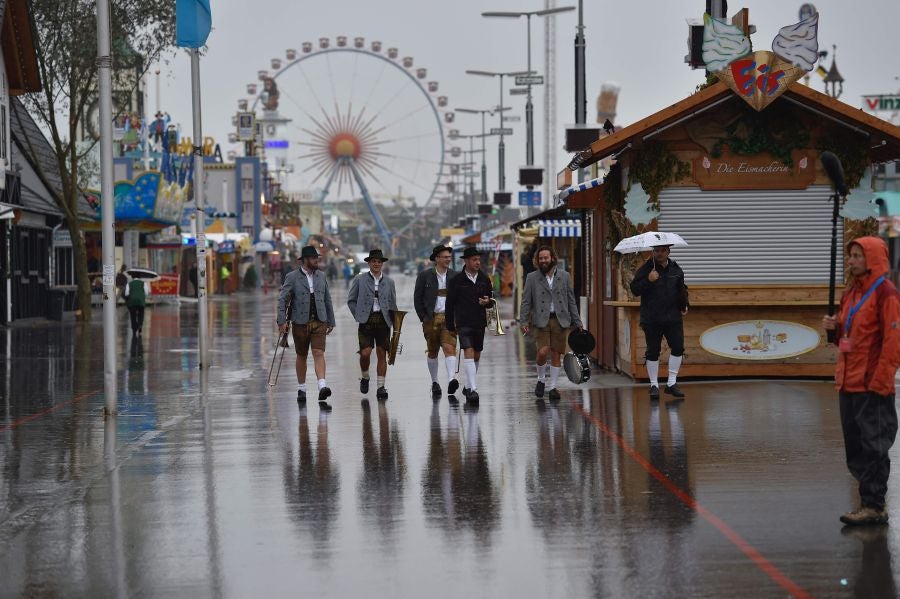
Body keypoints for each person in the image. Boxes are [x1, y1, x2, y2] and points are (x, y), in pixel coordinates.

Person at [823, 236, 900, 526]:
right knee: (855, 447)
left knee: (874, 446)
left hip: (872, 384)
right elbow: (848, 335)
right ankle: (868, 501)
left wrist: (881, 382)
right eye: (850, 255)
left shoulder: (886, 293)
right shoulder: (850, 293)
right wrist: (834, 328)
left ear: (873, 259)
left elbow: (894, 340)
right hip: (848, 381)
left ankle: (874, 505)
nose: (851, 260)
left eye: (857, 255)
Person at [520, 245, 584, 402]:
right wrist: (523, 320)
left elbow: (571, 301)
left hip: (560, 320)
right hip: (541, 320)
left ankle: (553, 387)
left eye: (545, 258)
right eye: (540, 258)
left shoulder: (564, 276)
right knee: (543, 351)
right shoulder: (532, 277)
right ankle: (541, 379)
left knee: (556, 353)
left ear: (552, 258)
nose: (543, 261)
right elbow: (526, 301)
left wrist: (577, 321)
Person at [278, 245, 337, 408]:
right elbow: (282, 299)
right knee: (302, 355)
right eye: (313, 258)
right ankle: (301, 388)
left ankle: (322, 386)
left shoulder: (321, 276)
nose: (316, 261)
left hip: (319, 320)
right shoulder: (292, 277)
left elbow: (327, 299)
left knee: (318, 352)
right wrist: (281, 321)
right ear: (304, 260)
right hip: (300, 322)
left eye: (317, 258)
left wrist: (331, 320)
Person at [629, 244, 689, 400]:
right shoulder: (646, 269)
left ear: (668, 251)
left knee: (677, 347)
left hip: (673, 317)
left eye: (663, 250)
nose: (659, 253)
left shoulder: (676, 269)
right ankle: (654, 385)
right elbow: (634, 289)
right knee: (653, 351)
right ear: (653, 252)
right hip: (652, 318)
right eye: (656, 250)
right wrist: (649, 280)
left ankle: (671, 383)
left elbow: (682, 288)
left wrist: (685, 304)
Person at [347, 249, 398, 401]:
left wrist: (396, 325)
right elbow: (351, 300)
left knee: (382, 353)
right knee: (365, 353)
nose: (376, 264)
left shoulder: (390, 282)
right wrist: (358, 315)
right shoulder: (359, 279)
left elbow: (393, 303)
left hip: (384, 321)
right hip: (366, 321)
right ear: (369, 263)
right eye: (373, 261)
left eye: (379, 262)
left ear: (382, 264)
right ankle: (365, 377)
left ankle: (381, 387)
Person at [446, 246, 494, 403]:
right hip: (463, 322)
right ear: (466, 261)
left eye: (479, 259)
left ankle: (467, 385)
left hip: (480, 322)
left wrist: (487, 302)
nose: (477, 262)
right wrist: (450, 325)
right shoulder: (456, 281)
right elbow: (449, 304)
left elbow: (490, 302)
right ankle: (473, 389)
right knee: (468, 350)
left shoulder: (485, 279)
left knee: (477, 354)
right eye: (474, 259)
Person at [414, 244, 460, 399]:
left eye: (449, 257)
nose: (448, 259)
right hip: (431, 319)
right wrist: (423, 317)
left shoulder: (455, 276)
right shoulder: (424, 276)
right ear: (437, 259)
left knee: (449, 347)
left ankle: (451, 379)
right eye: (445, 257)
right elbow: (417, 298)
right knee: (433, 351)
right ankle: (435, 382)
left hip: (449, 319)